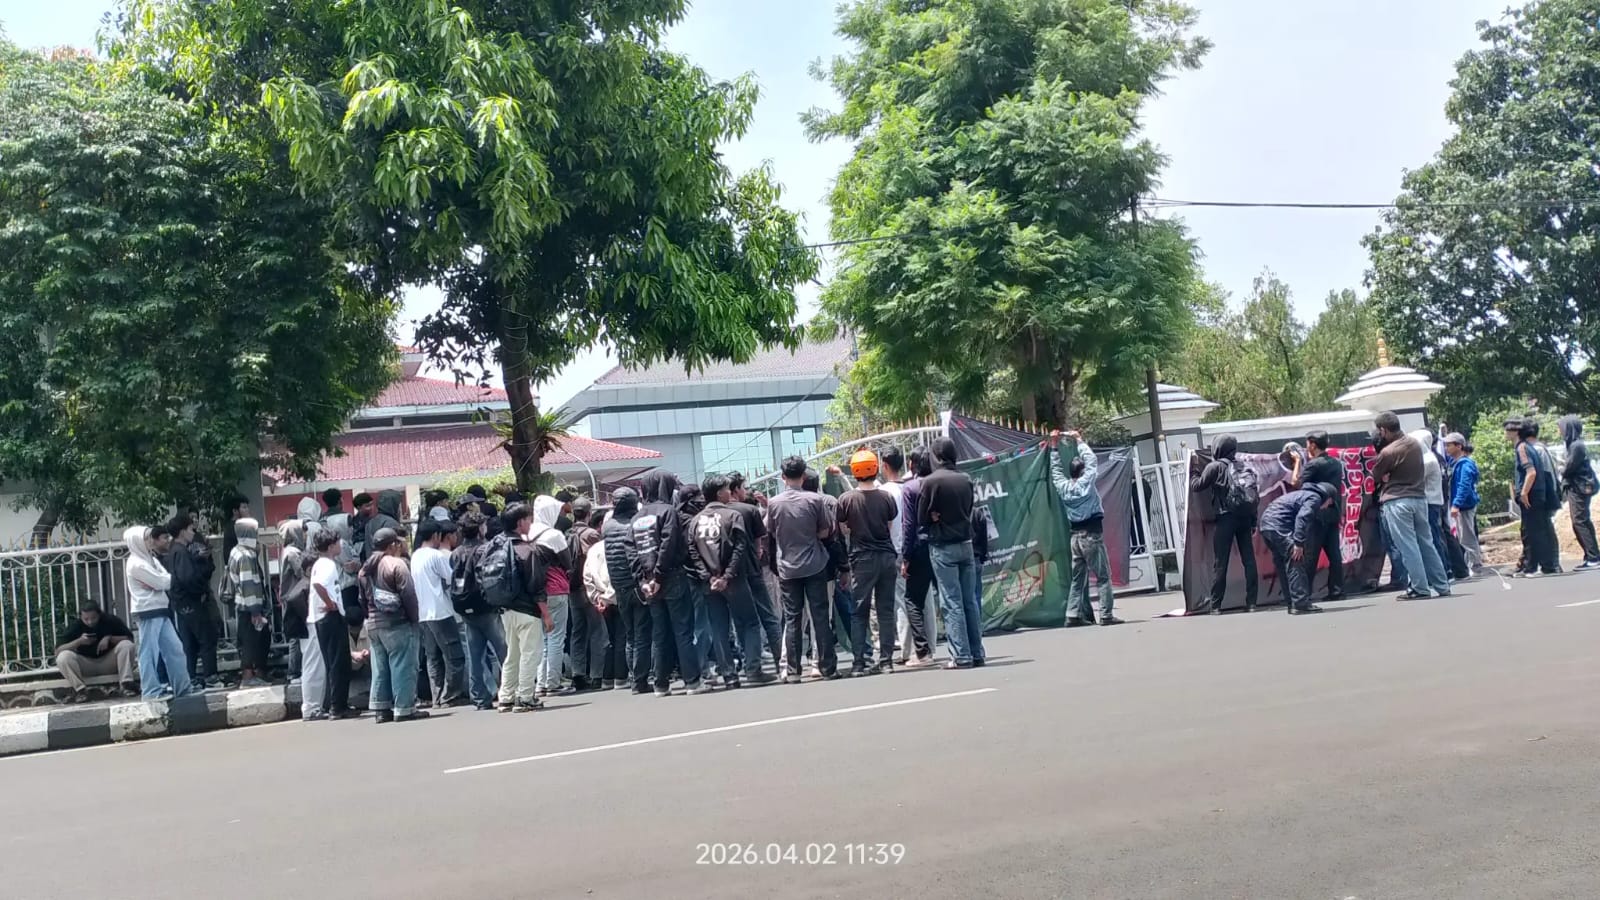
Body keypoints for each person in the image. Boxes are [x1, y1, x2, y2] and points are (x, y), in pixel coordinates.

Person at [692, 473, 771, 687]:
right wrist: (727, 576)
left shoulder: (695, 521)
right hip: (735, 579)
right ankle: (753, 669)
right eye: (727, 489)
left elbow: (693, 553)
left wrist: (709, 577)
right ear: (719, 493)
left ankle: (729, 675)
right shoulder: (732, 516)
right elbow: (740, 548)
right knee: (749, 622)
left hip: (710, 584)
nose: (731, 492)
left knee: (719, 627)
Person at [767, 455, 840, 683]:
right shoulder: (815, 500)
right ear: (804, 476)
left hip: (788, 566)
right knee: (820, 616)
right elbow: (826, 531)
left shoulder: (774, 503)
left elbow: (770, 531)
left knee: (792, 619)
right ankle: (827, 667)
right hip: (814, 564)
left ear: (782, 477)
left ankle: (793, 670)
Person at [919, 437, 985, 669]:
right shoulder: (965, 479)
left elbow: (921, 518)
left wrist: (934, 517)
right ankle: (977, 652)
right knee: (970, 601)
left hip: (942, 545)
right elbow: (969, 510)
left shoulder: (929, 482)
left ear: (935, 456)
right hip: (966, 543)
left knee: (951, 601)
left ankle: (961, 655)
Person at [636, 471, 704, 697]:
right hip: (672, 576)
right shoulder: (668, 511)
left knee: (660, 633)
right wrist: (659, 574)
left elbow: (631, 551)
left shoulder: (637, 518)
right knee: (683, 631)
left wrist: (644, 580)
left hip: (648, 585)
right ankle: (692, 681)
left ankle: (661, 683)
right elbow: (669, 543)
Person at [1371, 413, 1452, 599]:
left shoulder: (1388, 452)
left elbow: (1376, 476)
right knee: (1427, 543)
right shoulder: (1415, 444)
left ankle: (1419, 587)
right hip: (1419, 498)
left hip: (1397, 500)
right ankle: (1441, 585)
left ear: (1383, 430)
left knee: (1407, 546)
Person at [1049, 430, 1121, 627]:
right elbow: (1092, 461)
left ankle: (1072, 614)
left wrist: (1054, 445)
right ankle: (1106, 615)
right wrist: (1079, 440)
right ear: (1081, 472)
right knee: (1103, 577)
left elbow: (1055, 470)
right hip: (1091, 535)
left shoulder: (1063, 486)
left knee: (1077, 578)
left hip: (1075, 538)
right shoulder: (1086, 483)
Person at [837, 450, 900, 675]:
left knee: (858, 611)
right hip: (886, 557)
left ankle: (858, 663)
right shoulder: (886, 497)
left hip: (862, 559)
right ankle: (886, 662)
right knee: (885, 610)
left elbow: (843, 529)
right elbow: (890, 527)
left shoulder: (846, 499)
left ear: (854, 471)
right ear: (875, 468)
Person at [359, 527, 426, 722]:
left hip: (373, 623)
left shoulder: (365, 568)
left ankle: (381, 709)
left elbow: (362, 599)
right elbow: (409, 596)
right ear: (393, 545)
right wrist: (414, 620)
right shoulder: (396, 564)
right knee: (403, 665)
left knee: (380, 668)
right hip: (397, 623)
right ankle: (404, 708)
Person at [497, 503, 558, 712]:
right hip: (527, 610)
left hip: (505, 610)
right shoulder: (526, 550)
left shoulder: (495, 547)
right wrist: (546, 614)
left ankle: (506, 696)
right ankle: (525, 696)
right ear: (520, 522)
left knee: (512, 654)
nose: (530, 523)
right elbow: (536, 586)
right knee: (531, 653)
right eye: (529, 519)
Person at [1188, 435, 1260, 613]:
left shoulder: (1215, 467)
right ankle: (1251, 603)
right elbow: (1251, 495)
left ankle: (1216, 606)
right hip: (1245, 518)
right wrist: (1253, 521)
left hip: (1225, 518)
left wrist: (1195, 469)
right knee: (1249, 561)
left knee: (1221, 563)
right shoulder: (1243, 466)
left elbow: (1196, 486)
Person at [123, 525, 194, 700]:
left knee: (175, 649)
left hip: (160, 608)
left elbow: (165, 579)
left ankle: (183, 688)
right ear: (137, 541)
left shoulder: (151, 559)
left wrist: (159, 582)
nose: (150, 541)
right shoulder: (136, 564)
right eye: (146, 538)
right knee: (149, 653)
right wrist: (159, 582)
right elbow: (163, 582)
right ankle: (151, 691)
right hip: (147, 610)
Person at [450, 512, 506, 709]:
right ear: (480, 528)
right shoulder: (485, 549)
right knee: (503, 650)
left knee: (475, 655)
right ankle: (509, 689)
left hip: (465, 607)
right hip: (486, 606)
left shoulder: (455, 553)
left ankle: (480, 697)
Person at [1257, 482, 1337, 614]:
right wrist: (1298, 543)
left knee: (1283, 564)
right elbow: (1302, 517)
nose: (1326, 507)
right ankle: (1300, 603)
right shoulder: (1314, 498)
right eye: (1330, 504)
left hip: (1266, 525)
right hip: (1279, 525)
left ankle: (1291, 602)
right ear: (1328, 498)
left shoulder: (1301, 494)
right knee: (1296, 559)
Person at [603, 487, 654, 693]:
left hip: (618, 585)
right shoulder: (635, 524)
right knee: (642, 633)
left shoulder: (607, 527)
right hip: (636, 584)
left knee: (630, 634)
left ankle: (634, 677)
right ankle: (640, 680)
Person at [729, 472, 781, 669]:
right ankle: (780, 661)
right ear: (736, 490)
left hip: (732, 574)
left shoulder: (719, 513)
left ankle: (749, 661)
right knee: (769, 616)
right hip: (753, 569)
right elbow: (762, 538)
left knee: (741, 620)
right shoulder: (750, 510)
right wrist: (758, 550)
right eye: (743, 487)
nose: (745, 491)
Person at [413, 519, 468, 706]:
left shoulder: (416, 556)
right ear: (436, 536)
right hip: (441, 611)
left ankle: (437, 695)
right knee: (455, 657)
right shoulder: (436, 556)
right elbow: (451, 579)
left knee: (433, 657)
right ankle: (449, 695)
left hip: (423, 613)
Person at [162, 514, 219, 687]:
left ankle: (191, 677)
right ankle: (210, 677)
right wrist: (200, 590)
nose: (193, 531)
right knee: (206, 638)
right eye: (189, 528)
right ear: (181, 531)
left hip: (182, 604)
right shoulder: (180, 551)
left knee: (190, 643)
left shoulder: (176, 551)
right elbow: (188, 578)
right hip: (191, 602)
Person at [531, 496, 576, 698]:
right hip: (556, 590)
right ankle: (553, 682)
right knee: (556, 637)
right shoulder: (554, 535)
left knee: (541, 640)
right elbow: (568, 563)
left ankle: (540, 683)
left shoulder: (526, 533)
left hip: (535, 593)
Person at [1294, 431, 1347, 601]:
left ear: (1312, 445)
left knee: (1310, 555)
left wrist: (1296, 462)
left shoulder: (1313, 465)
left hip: (1316, 513)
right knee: (1334, 554)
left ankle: (1304, 593)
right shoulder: (1336, 463)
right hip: (1333, 512)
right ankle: (1337, 590)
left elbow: (1298, 483)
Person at [308, 529, 355, 718]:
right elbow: (319, 585)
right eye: (337, 542)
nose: (340, 545)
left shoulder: (320, 563)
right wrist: (330, 604)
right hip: (330, 617)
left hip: (322, 619)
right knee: (338, 663)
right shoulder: (328, 565)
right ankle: (338, 706)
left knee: (333, 662)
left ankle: (334, 703)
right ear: (330, 546)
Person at [1507, 417, 1562, 577]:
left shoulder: (1525, 448)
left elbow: (1532, 472)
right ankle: (1543, 564)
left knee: (1535, 531)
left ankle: (1541, 565)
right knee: (1537, 530)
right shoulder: (1532, 447)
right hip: (1539, 494)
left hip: (1534, 495)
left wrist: (1523, 492)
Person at [899, 447, 938, 665]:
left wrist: (906, 557)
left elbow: (908, 525)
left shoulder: (910, 488)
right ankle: (959, 647)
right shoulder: (939, 483)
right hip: (942, 544)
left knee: (913, 600)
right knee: (951, 598)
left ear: (912, 465)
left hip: (920, 548)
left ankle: (923, 652)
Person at [565, 497, 609, 692]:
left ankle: (578, 673)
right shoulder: (592, 534)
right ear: (589, 513)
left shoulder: (567, 533)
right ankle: (597, 675)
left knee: (577, 632)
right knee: (598, 631)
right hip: (589, 588)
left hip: (572, 588)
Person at [222, 518, 272, 687]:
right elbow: (248, 583)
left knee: (252, 639)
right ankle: (249, 677)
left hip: (243, 605)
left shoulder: (237, 551)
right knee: (252, 641)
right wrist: (255, 611)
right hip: (249, 606)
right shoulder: (245, 556)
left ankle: (253, 674)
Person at [54, 602, 137, 701]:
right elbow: (58, 651)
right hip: (85, 665)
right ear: (81, 617)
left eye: (93, 618)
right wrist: (79, 641)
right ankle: (80, 690)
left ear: (99, 614)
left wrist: (109, 638)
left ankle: (126, 684)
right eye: (86, 619)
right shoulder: (75, 626)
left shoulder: (110, 620)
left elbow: (129, 638)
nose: (90, 622)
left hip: (109, 662)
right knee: (63, 657)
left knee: (126, 645)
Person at [1557, 415, 1600, 570]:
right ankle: (1592, 555)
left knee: (1579, 521)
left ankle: (1593, 557)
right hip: (1578, 486)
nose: (1560, 431)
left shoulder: (1576, 446)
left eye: (1562, 427)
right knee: (1581, 521)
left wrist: (1562, 468)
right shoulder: (1573, 445)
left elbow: (1570, 468)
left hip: (1579, 487)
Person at [1410, 430, 1453, 574]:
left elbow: (1415, 479)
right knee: (1433, 536)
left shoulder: (1427, 459)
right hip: (1432, 502)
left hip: (1430, 502)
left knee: (1433, 537)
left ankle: (1442, 569)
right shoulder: (1430, 457)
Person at [1442, 433, 1483, 574]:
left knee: (1467, 536)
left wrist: (1456, 504)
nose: (1446, 448)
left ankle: (1475, 564)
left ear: (1459, 446)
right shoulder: (1455, 463)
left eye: (1449, 445)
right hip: (1462, 505)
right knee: (1462, 535)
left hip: (1465, 506)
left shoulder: (1465, 464)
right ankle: (1470, 563)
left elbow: (1464, 486)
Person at [221, 495, 250, 560]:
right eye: (244, 507)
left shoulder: (228, 526)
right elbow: (254, 548)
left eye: (247, 507)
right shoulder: (240, 527)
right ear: (235, 511)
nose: (248, 510)